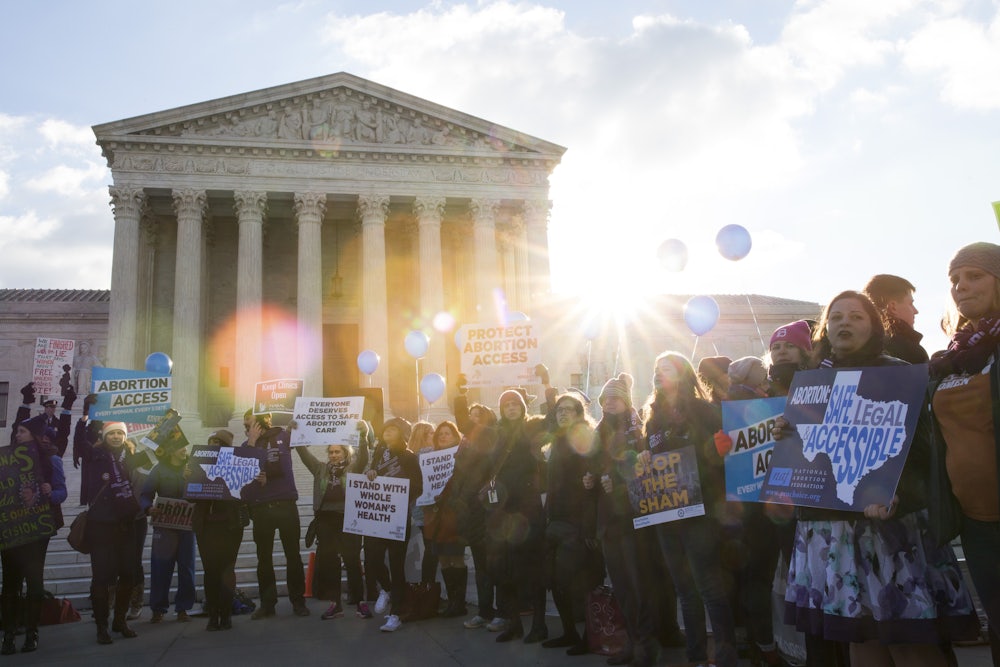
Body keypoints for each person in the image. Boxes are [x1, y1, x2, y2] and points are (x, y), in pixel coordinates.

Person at [781, 290, 979, 667]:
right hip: (833, 533)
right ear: (826, 328)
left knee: (907, 643)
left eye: (856, 316)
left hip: (890, 534)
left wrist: (897, 492)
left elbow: (924, 452)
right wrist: (786, 434)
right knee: (862, 640)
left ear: (873, 327)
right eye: (837, 316)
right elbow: (812, 454)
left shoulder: (896, 374)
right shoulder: (811, 383)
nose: (845, 322)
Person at [927, 242, 1000, 664]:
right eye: (955, 280)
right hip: (976, 524)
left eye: (974, 276)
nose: (961, 286)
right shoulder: (950, 358)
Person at [643, 354, 738, 667]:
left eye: (666, 368)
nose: (659, 373)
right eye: (657, 369)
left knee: (709, 587)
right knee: (685, 591)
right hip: (666, 515)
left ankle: (726, 658)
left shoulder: (703, 410)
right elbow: (652, 457)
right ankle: (696, 657)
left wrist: (717, 449)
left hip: (700, 512)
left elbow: (724, 452)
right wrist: (643, 458)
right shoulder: (653, 417)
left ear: (682, 374)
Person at [484, 389, 548, 644]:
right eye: (506, 405)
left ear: (522, 407)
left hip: (528, 508)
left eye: (515, 404)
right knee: (504, 570)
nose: (511, 408)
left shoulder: (531, 427)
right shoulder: (496, 434)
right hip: (503, 510)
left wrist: (548, 388)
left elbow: (552, 421)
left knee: (533, 569)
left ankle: (539, 625)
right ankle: (514, 624)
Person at [542, 392, 601, 656]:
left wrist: (588, 527)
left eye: (569, 409)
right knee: (556, 582)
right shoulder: (556, 441)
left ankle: (589, 637)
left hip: (577, 523)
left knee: (580, 583)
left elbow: (592, 481)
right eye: (559, 409)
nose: (563, 413)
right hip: (555, 521)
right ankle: (569, 632)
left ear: (579, 414)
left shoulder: (585, 439)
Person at [0, 420, 66, 654]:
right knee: (10, 584)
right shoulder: (4, 460)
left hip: (36, 532)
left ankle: (31, 632)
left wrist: (50, 492)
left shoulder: (51, 461)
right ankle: (8, 635)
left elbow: (61, 492)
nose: (17, 435)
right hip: (10, 530)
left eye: (22, 431)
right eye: (16, 431)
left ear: (35, 436)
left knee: (34, 583)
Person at [294, 424, 369, 621]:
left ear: (345, 452)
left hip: (348, 518)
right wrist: (297, 433)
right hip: (325, 520)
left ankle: (360, 602)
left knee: (352, 560)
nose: (334, 455)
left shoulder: (353, 468)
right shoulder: (320, 468)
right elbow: (304, 454)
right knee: (330, 563)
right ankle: (336, 604)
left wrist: (363, 435)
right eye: (331, 452)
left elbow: (363, 457)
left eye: (338, 452)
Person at [241, 410, 308, 619]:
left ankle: (298, 601)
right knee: (264, 558)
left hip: (286, 504)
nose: (246, 428)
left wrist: (298, 426)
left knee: (293, 555)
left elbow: (306, 437)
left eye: (249, 424)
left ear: (262, 421)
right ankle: (267, 604)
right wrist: (252, 442)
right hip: (261, 508)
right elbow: (242, 475)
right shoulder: (246, 446)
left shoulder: (283, 436)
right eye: (245, 426)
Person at [82, 422, 142, 644]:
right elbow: (80, 442)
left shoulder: (131, 457)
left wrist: (167, 425)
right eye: (112, 433)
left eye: (120, 433)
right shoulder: (94, 455)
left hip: (126, 524)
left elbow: (157, 449)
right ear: (104, 435)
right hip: (101, 524)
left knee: (128, 574)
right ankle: (101, 626)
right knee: (101, 577)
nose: (116, 437)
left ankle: (120, 621)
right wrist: (84, 416)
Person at [364, 417, 422, 632]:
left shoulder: (409, 456)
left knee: (397, 566)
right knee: (372, 558)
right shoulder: (379, 454)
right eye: (386, 428)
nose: (388, 431)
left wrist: (399, 493)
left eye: (393, 429)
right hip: (378, 517)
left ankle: (396, 614)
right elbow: (372, 477)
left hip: (398, 516)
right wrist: (371, 473)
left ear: (401, 433)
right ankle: (387, 589)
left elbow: (418, 486)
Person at [191, 429, 244, 631]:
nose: (214, 445)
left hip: (230, 526)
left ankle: (226, 614)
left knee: (227, 570)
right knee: (211, 571)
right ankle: (213, 615)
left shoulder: (237, 464)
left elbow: (245, 494)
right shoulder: (197, 465)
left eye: (219, 442)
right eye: (211, 441)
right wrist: (188, 479)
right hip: (206, 527)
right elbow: (190, 496)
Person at [140, 445, 196, 623]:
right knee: (160, 568)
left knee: (187, 568)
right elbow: (145, 494)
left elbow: (203, 490)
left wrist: (190, 480)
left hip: (187, 526)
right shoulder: (159, 469)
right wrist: (148, 508)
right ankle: (158, 609)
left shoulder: (193, 467)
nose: (184, 449)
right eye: (180, 447)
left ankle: (183, 609)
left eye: (185, 446)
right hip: (164, 527)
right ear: (170, 449)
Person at [424, 420, 468, 618]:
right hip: (434, 515)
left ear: (455, 436)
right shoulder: (429, 459)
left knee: (456, 558)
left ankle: (460, 603)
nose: (443, 436)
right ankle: (452, 601)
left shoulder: (461, 457)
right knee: (443, 559)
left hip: (454, 514)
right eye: (440, 433)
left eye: (447, 433)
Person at [864, 274, 929, 363]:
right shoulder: (911, 352)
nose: (916, 311)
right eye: (910, 304)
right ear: (893, 307)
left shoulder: (856, 349)